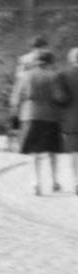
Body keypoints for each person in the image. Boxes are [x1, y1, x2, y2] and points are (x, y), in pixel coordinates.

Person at [13, 48, 69, 196]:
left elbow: (16, 98)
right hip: (51, 117)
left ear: (35, 62)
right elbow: (60, 97)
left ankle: (35, 184)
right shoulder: (54, 76)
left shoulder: (25, 76)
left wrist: (15, 119)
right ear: (50, 62)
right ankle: (54, 181)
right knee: (52, 151)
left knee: (35, 152)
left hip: (30, 116)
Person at [61, 49, 78, 195]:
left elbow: (60, 98)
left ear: (70, 59)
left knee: (74, 152)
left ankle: (76, 181)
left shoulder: (64, 75)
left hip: (72, 119)